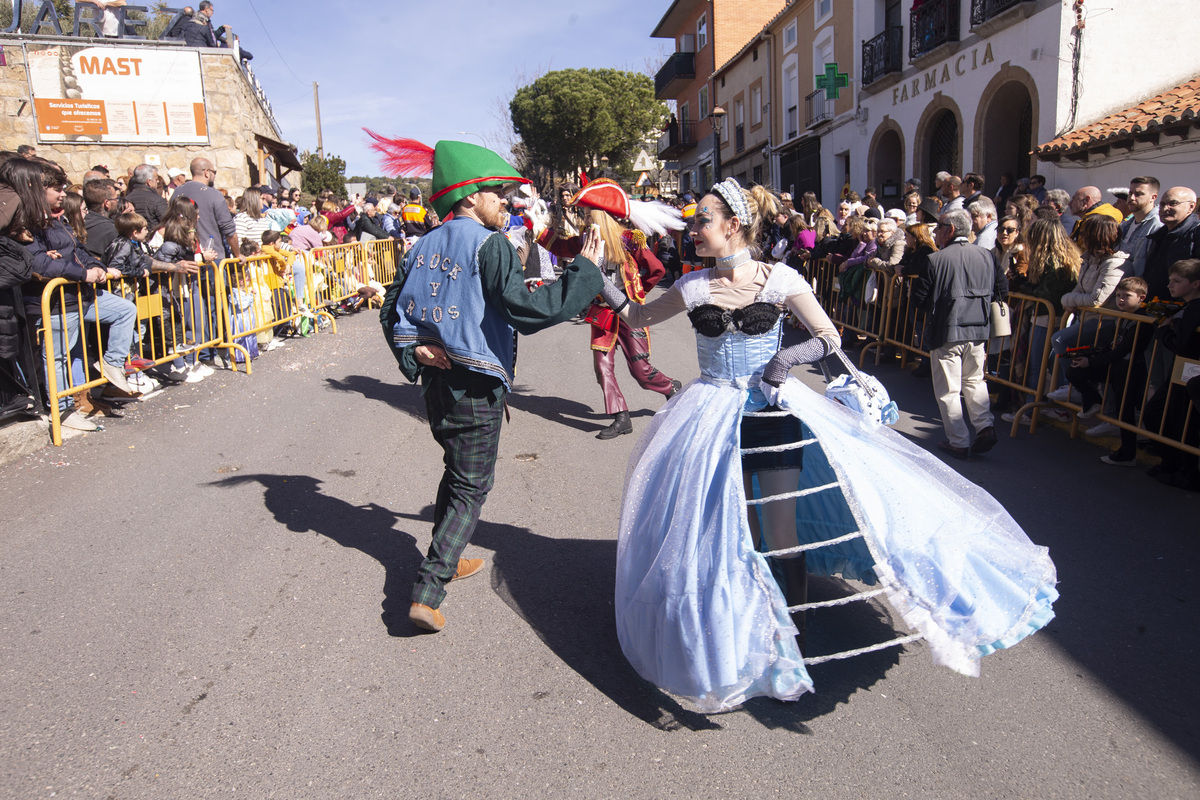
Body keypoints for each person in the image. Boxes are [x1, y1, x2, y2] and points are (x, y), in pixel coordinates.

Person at [601, 178, 1057, 711]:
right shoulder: (693, 285)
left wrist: (785, 360)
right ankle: (743, 636)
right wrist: (598, 277)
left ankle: (787, 642)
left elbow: (829, 338)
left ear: (734, 225)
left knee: (778, 527)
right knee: (729, 528)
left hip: (773, 415)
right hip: (708, 419)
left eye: (702, 219)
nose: (692, 228)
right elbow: (634, 316)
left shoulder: (782, 278)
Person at [372, 135, 604, 632]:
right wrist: (586, 270)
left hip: (434, 386)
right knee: (473, 485)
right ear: (470, 197)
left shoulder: (422, 244)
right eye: (499, 192)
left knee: (457, 473)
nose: (508, 201)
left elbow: (389, 312)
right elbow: (527, 310)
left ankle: (448, 557)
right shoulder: (490, 243)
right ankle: (428, 588)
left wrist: (411, 352)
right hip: (474, 384)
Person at [536, 180, 684, 438]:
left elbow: (657, 270)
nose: (584, 217)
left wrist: (637, 294)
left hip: (629, 313)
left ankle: (671, 388)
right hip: (602, 314)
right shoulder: (584, 240)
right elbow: (559, 246)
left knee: (640, 370)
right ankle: (621, 417)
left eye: (588, 212)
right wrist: (535, 227)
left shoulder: (631, 239)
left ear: (599, 215)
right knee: (603, 367)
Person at [912, 209, 1006, 459]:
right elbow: (1001, 290)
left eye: (939, 227)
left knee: (949, 389)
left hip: (947, 331)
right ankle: (984, 427)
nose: (936, 232)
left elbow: (919, 298)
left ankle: (959, 440)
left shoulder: (935, 259)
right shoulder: (987, 256)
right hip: (978, 331)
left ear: (950, 230)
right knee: (975, 381)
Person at [1062, 276, 1150, 456]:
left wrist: (1091, 362)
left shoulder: (1142, 320)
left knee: (1125, 410)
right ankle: (1094, 400)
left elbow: (1123, 350)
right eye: (1118, 295)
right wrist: (1088, 357)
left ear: (1141, 297)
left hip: (1129, 368)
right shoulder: (1121, 316)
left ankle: (1127, 453)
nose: (1121, 299)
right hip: (1115, 365)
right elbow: (1112, 345)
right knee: (1074, 370)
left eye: (1126, 295)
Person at [1117, 176, 1162, 278]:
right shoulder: (1125, 225)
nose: (1132, 198)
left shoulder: (1157, 226)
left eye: (1138, 194)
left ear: (1153, 197)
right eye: (1130, 193)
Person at [125, 164, 168, 232]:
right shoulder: (157, 200)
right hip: (153, 238)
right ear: (149, 182)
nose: (158, 181)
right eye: (156, 179)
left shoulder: (126, 199)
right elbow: (167, 223)